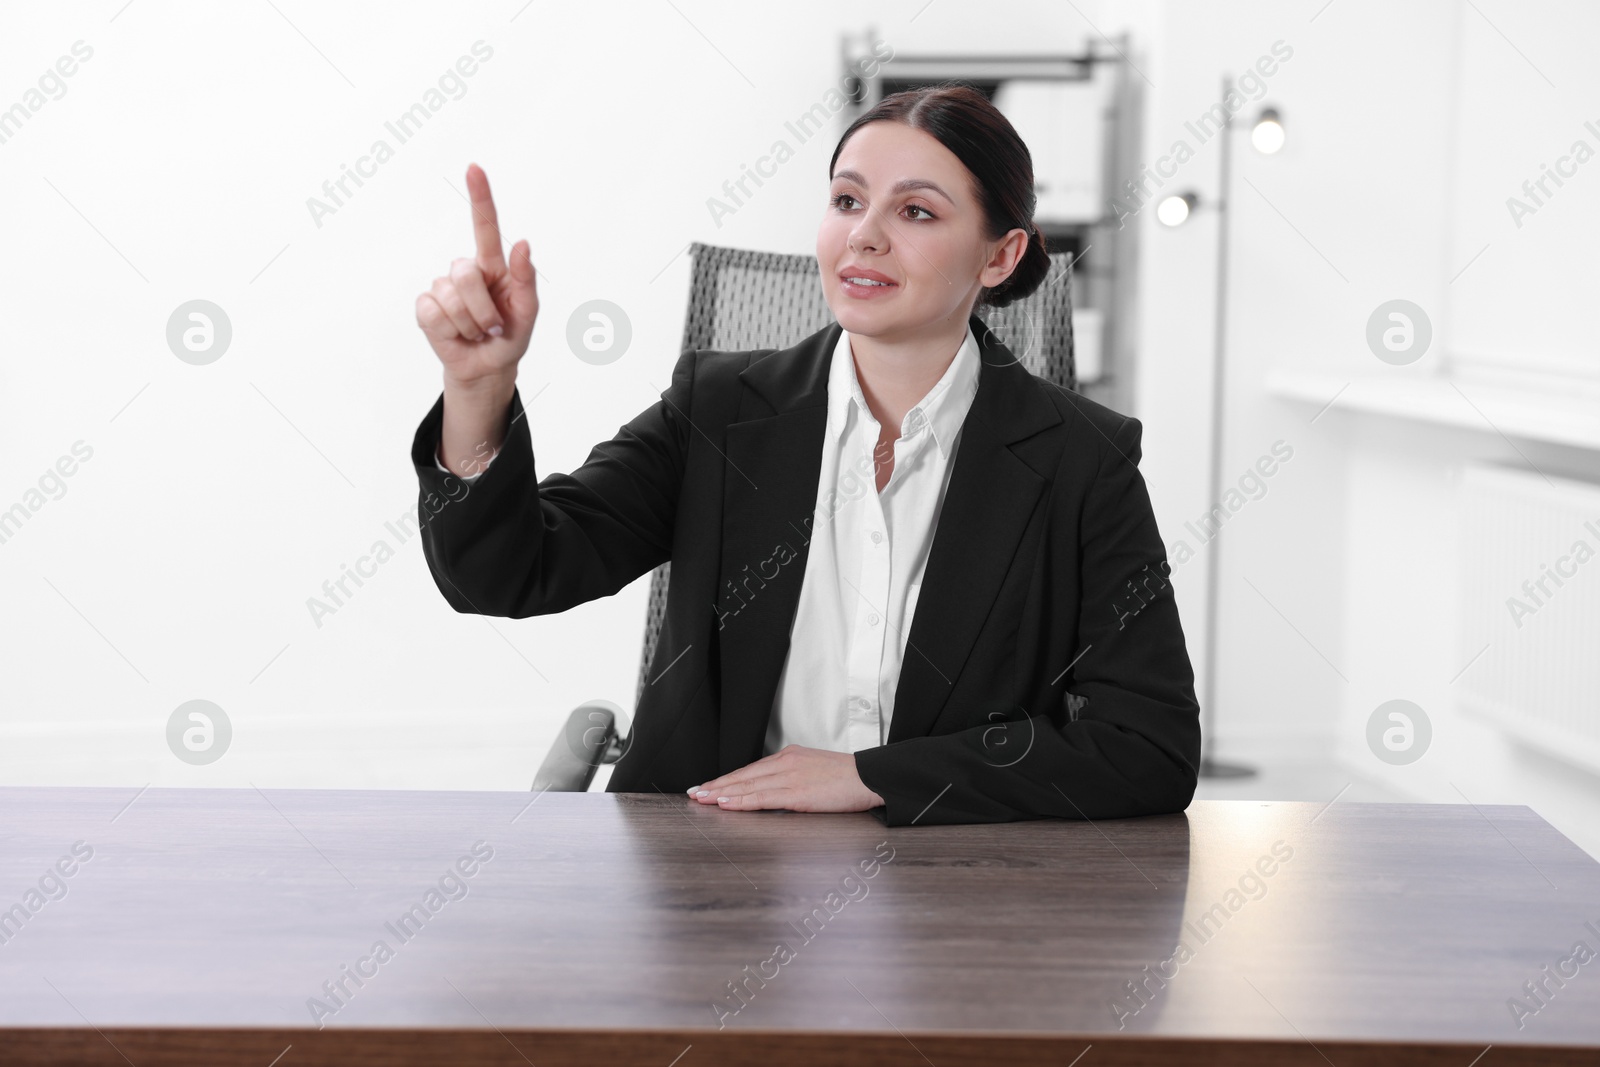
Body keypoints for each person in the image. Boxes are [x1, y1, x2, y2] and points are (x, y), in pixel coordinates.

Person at [410, 86, 1201, 827]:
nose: (864, 233)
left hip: (948, 888)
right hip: (708, 876)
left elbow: (1149, 746)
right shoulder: (718, 412)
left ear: (998, 258)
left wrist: (873, 774)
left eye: (917, 211)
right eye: (847, 200)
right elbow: (509, 571)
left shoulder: (1082, 460)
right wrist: (477, 387)